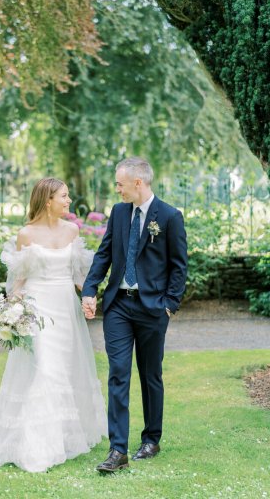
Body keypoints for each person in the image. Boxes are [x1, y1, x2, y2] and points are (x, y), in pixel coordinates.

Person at [0, 177, 107, 473]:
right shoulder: (25, 234)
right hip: (38, 310)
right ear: (47, 200)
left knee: (64, 369)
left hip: (65, 309)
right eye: (64, 196)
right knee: (46, 369)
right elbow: (19, 280)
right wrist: (10, 310)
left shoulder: (72, 230)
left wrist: (89, 298)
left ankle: (63, 437)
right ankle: (36, 445)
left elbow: (78, 276)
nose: (68, 201)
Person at [82, 157, 187, 473]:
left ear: (138, 183)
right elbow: (104, 254)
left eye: (120, 184)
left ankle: (151, 439)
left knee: (150, 374)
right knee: (118, 372)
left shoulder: (169, 217)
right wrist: (90, 289)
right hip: (119, 306)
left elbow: (179, 267)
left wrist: (168, 305)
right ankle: (117, 450)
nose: (117, 189)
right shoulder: (119, 212)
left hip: (153, 307)